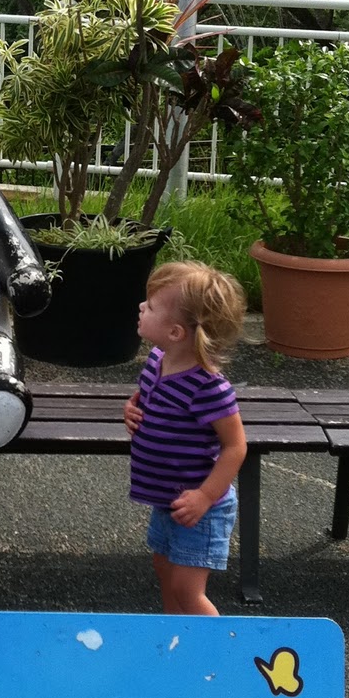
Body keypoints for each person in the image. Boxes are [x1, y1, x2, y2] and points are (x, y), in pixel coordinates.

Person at [123, 261, 248, 616]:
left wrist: (205, 497)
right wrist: (131, 410)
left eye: (151, 306)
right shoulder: (156, 361)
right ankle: (175, 638)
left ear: (176, 332)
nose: (141, 307)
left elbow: (235, 446)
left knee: (186, 588)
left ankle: (219, 645)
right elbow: (146, 400)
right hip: (167, 499)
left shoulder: (208, 387)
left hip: (200, 507)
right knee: (164, 571)